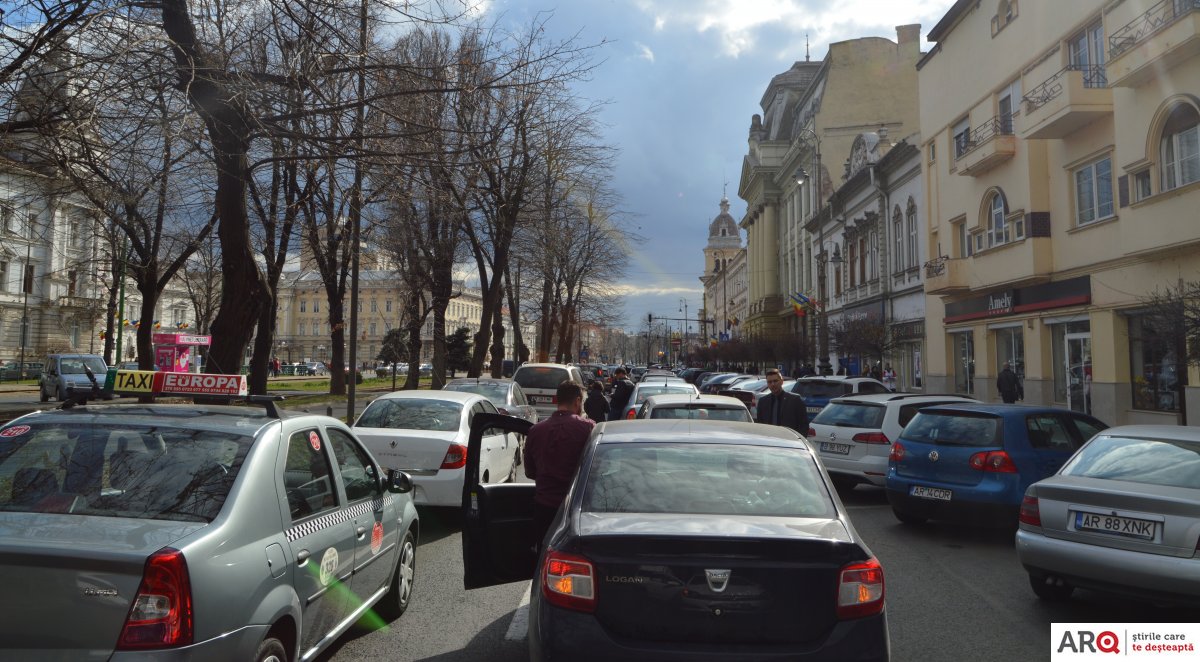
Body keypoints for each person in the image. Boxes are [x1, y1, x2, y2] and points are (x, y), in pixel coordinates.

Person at [524, 381, 595, 554]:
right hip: (577, 509)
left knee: (543, 559)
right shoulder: (589, 428)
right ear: (578, 401)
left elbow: (529, 472)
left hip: (544, 507)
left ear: (557, 399)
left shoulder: (536, 430)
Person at [755, 368, 808, 434]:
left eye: (775, 381)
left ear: (781, 381)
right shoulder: (763, 402)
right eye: (770, 382)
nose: (773, 384)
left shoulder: (795, 400)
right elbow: (760, 426)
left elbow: (804, 425)